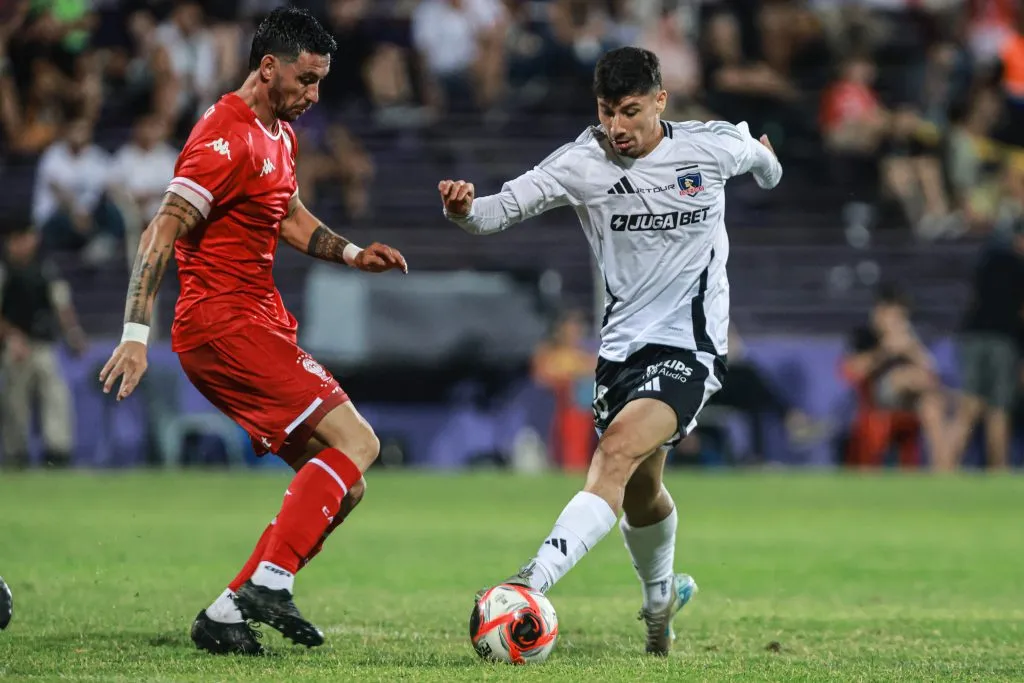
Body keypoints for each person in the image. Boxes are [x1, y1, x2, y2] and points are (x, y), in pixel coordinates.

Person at [439, 46, 782, 656]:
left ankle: (527, 583)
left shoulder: (710, 146)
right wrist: (464, 210)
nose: (618, 127)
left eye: (630, 111)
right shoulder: (582, 162)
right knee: (643, 488)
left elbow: (765, 165)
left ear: (660, 101)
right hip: (620, 352)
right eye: (606, 112)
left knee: (616, 453)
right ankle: (658, 602)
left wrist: (767, 161)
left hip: (692, 346)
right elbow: (497, 212)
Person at [98, 8, 407, 656]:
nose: (314, 94)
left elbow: (286, 215)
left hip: (255, 320)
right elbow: (163, 227)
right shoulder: (222, 134)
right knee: (359, 439)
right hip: (221, 324)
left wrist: (353, 254)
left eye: (322, 81)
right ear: (268, 68)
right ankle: (269, 580)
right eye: (306, 79)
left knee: (343, 480)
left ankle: (227, 609)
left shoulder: (280, 135)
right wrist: (134, 331)